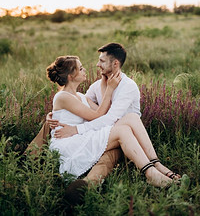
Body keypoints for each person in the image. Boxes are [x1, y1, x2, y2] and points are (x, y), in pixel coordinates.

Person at [45, 49, 179, 189]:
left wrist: (106, 87)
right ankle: (151, 173)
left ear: (115, 63)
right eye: (81, 68)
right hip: (69, 140)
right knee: (122, 130)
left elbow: (102, 113)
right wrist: (109, 89)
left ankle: (155, 165)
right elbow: (98, 115)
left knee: (131, 118)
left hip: (80, 135)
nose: (95, 66)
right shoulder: (66, 96)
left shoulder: (82, 95)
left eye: (101, 61)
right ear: (71, 76)